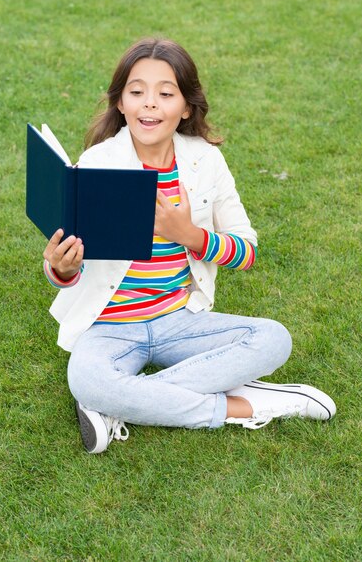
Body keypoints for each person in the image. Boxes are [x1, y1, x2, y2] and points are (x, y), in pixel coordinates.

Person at [42, 38, 336, 454]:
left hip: (178, 319)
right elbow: (71, 266)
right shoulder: (97, 163)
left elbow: (247, 251)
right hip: (107, 327)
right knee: (86, 379)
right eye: (137, 92)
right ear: (120, 103)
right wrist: (62, 268)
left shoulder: (205, 161)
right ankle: (245, 404)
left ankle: (118, 404)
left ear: (185, 106)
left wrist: (190, 235)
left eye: (165, 94)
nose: (149, 105)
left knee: (274, 339)